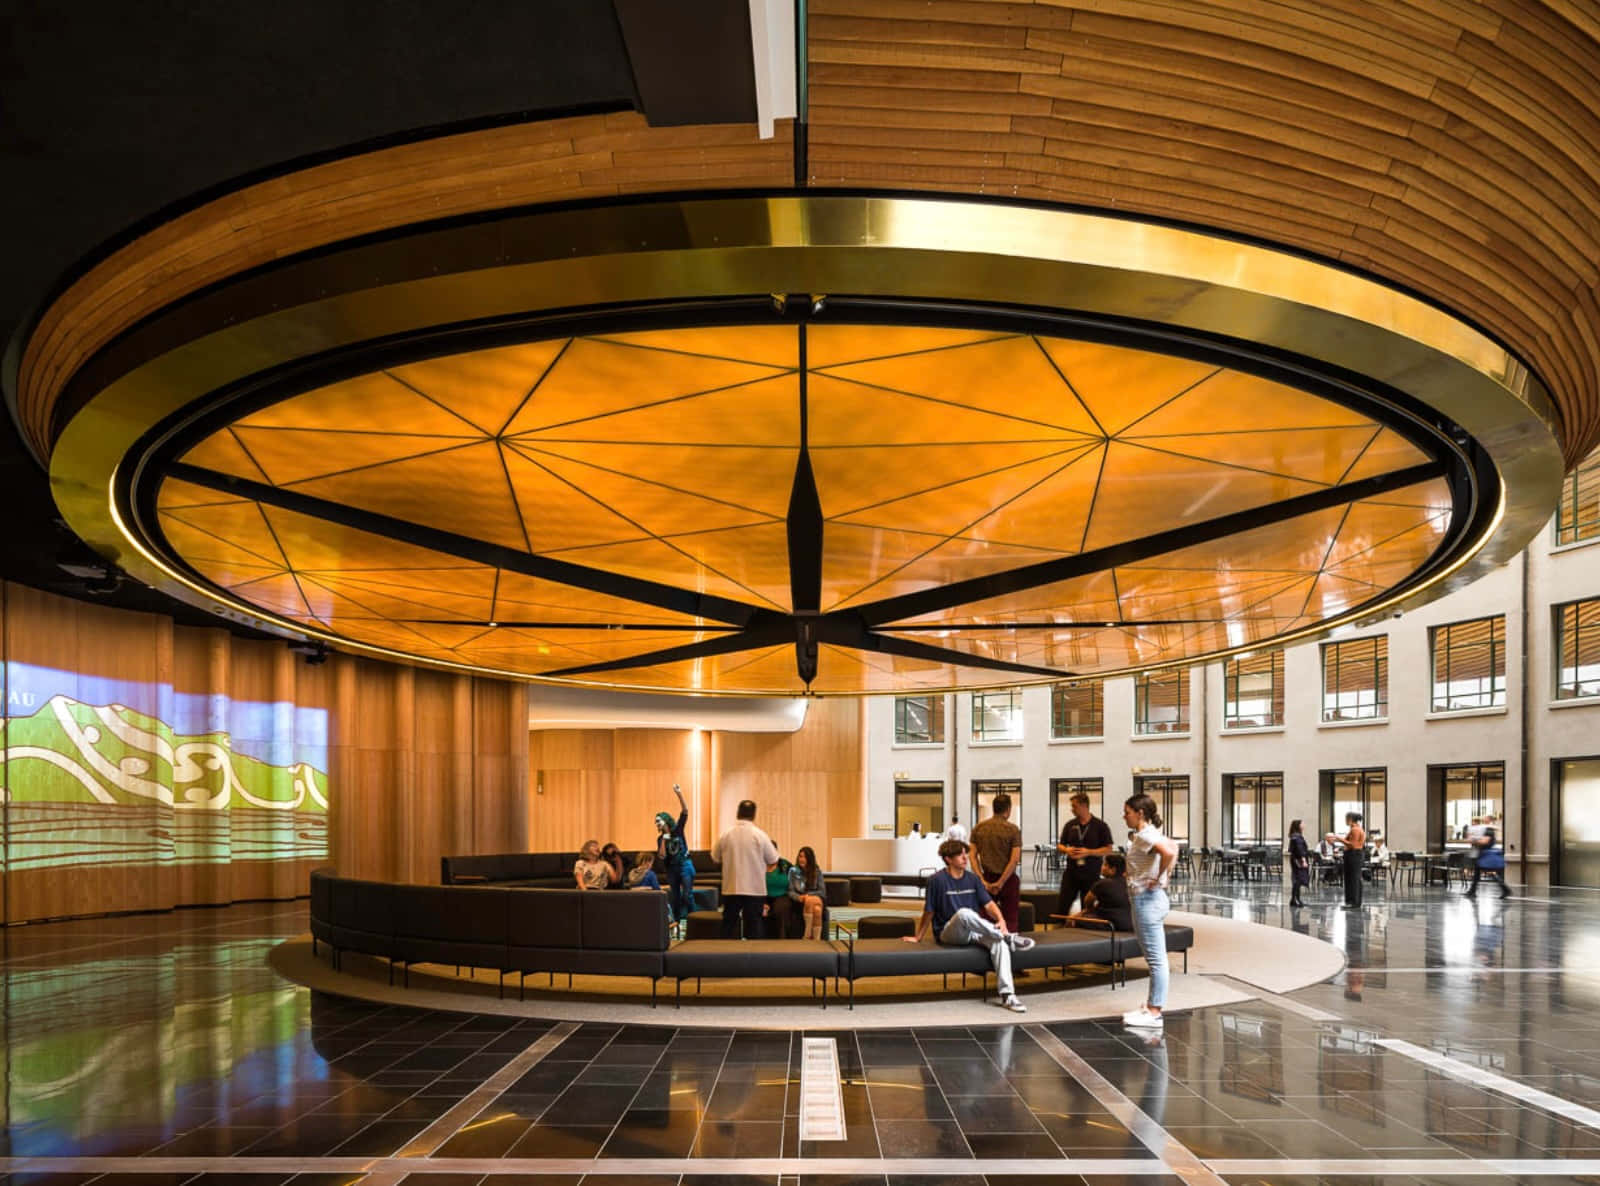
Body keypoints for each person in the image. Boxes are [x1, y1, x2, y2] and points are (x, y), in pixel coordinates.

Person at [902, 837, 1034, 1013]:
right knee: (964, 913)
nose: (965, 858)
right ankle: (1007, 937)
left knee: (999, 944)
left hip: (974, 932)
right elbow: (929, 912)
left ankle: (1008, 995)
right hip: (948, 933)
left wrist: (1001, 921)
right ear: (948, 859)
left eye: (966, 854)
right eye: (960, 855)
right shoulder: (936, 880)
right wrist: (918, 936)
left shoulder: (973, 879)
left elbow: (989, 905)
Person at [1122, 792, 1178, 1028]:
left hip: (1147, 900)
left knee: (1156, 960)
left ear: (1140, 813)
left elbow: (1169, 851)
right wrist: (1162, 874)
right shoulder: (1150, 833)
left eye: (1127, 813)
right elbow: (1173, 845)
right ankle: (1152, 1006)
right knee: (1156, 958)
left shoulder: (1145, 834)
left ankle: (1155, 1011)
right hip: (1151, 898)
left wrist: (1160, 874)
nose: (1124, 817)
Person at [712, 799, 779, 939]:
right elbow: (773, 859)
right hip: (754, 889)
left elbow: (715, 857)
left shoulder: (726, 834)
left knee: (728, 926)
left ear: (738, 813)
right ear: (754, 815)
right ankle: (754, 959)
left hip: (731, 888)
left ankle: (726, 958)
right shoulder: (760, 835)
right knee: (754, 927)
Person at [1056, 791, 1114, 918]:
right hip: (1071, 871)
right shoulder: (1070, 825)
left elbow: (1108, 849)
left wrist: (1089, 852)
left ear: (1084, 806)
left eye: (1074, 806)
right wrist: (1066, 850)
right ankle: (1059, 928)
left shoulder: (1100, 826)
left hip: (1091, 873)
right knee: (1063, 904)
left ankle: (1085, 930)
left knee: (1087, 905)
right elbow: (1060, 845)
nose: (1072, 809)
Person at [971, 793, 1023, 932]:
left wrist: (981, 880)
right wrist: (1001, 882)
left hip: (986, 877)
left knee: (985, 915)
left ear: (994, 808)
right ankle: (1009, 941)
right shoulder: (1013, 829)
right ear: (1008, 810)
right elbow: (1014, 859)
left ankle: (985, 943)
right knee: (1010, 917)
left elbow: (972, 856)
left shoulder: (979, 828)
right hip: (1008, 880)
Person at [655, 783, 695, 921]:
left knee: (687, 895)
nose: (657, 824)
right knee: (675, 897)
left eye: (659, 821)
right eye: (656, 822)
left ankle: (694, 919)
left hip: (685, 864)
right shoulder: (661, 838)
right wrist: (664, 840)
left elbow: (685, 811)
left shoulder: (678, 830)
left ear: (666, 821)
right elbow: (661, 856)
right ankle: (678, 923)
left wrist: (679, 793)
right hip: (671, 868)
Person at [1068, 852, 1132, 932]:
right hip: (1130, 924)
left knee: (1072, 920)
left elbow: (1088, 901)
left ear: (1113, 870)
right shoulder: (1129, 883)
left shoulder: (1103, 883)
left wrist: (1086, 911)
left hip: (1111, 924)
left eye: (1105, 865)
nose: (1102, 867)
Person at [1326, 812, 1367, 908]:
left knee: (1352, 879)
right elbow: (1348, 842)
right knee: (1353, 878)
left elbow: (1352, 844)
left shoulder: (1355, 830)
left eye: (1346, 818)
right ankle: (1354, 902)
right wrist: (1336, 840)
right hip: (1355, 854)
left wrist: (1338, 838)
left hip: (1354, 855)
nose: (1345, 820)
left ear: (1350, 819)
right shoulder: (1355, 829)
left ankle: (1353, 902)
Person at [788, 845, 827, 939]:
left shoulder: (817, 872)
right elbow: (790, 891)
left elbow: (822, 892)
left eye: (805, 857)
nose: (802, 859)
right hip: (801, 902)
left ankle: (807, 934)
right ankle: (816, 940)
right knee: (817, 910)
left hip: (817, 898)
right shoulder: (793, 872)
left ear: (810, 859)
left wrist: (807, 895)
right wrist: (798, 897)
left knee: (809, 900)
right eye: (800, 856)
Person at [1465, 825, 1511, 898]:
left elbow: (1484, 842)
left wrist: (1474, 840)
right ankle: (1472, 891)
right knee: (1478, 872)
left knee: (1489, 872)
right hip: (1482, 854)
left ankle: (1505, 889)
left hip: (1486, 855)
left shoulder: (1489, 832)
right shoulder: (1487, 831)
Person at [1287, 818, 1310, 908]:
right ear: (1298, 826)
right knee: (1298, 879)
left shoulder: (1295, 836)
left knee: (1297, 879)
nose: (1304, 825)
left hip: (1296, 859)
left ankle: (1294, 899)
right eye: (1302, 824)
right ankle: (1296, 899)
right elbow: (1299, 849)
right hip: (1298, 860)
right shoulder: (1297, 837)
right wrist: (1303, 860)